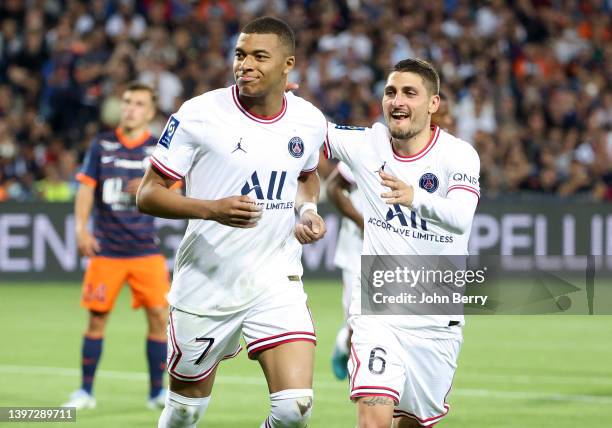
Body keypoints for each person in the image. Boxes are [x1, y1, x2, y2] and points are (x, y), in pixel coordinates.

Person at [136, 16, 327, 428]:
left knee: (294, 409)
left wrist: (307, 211)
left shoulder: (309, 121)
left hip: (275, 280)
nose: (246, 64)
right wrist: (212, 208)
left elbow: (307, 178)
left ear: (288, 64)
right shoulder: (200, 114)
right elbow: (147, 194)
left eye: (260, 56)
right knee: (185, 413)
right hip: (207, 282)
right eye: (240, 55)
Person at [323, 58, 480, 427]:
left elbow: (460, 218)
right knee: (373, 421)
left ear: (433, 104)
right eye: (391, 92)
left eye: (410, 92)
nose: (398, 101)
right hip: (379, 314)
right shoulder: (368, 143)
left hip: (436, 319)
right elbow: (313, 131)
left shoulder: (457, 154)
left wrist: (413, 197)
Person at [326, 94, 455, 382]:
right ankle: (352, 357)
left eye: (448, 117)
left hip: (403, 253)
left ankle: (382, 377)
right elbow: (334, 187)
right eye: (442, 114)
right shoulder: (379, 145)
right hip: (359, 248)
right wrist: (365, 222)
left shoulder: (448, 157)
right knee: (359, 320)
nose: (445, 122)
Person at [63, 82, 171, 410]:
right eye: (127, 102)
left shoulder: (159, 151)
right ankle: (85, 392)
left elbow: (178, 194)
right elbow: (85, 190)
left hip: (146, 250)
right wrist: (82, 230)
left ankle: (156, 393)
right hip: (106, 251)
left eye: (138, 104)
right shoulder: (102, 144)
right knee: (96, 319)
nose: (130, 108)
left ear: (150, 112)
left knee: (158, 318)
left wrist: (152, 191)